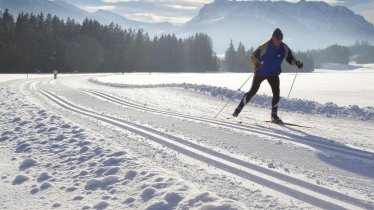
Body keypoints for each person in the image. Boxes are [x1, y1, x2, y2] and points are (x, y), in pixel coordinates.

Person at [232, 28, 303, 123]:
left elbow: (290, 59)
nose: (279, 41)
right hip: (261, 72)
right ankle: (238, 109)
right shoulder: (265, 46)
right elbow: (253, 56)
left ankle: (274, 116)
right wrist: (257, 64)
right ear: (273, 37)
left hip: (273, 74)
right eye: (277, 39)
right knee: (252, 91)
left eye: (280, 39)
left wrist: (297, 63)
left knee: (276, 93)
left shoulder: (284, 47)